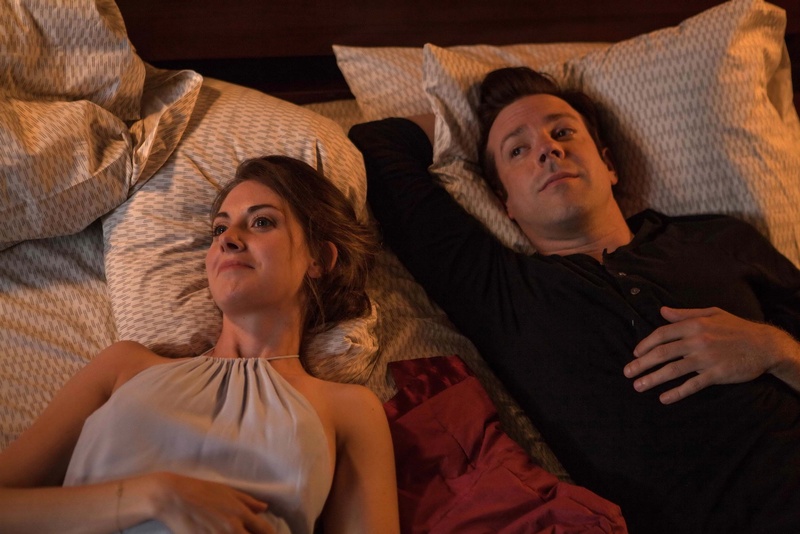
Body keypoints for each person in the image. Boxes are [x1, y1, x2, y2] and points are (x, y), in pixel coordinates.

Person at [348, 67, 800, 533]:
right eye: (518, 150)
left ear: (609, 164)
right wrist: (464, 120)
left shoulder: (719, 239)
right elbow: (376, 145)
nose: (548, 149)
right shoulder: (499, 290)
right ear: (505, 203)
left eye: (562, 132)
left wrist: (775, 349)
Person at [0, 155, 400, 534]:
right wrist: (153, 496)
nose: (229, 239)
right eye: (219, 229)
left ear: (319, 259)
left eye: (261, 222)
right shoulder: (125, 367)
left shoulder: (349, 409)